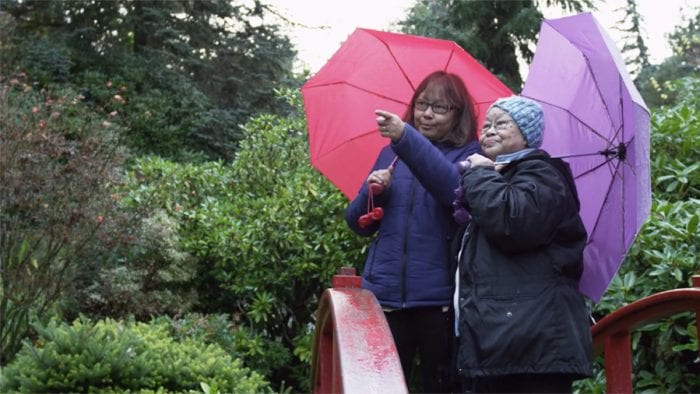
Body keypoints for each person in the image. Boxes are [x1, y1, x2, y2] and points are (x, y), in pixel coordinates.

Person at [344, 71, 481, 392]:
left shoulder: (470, 155)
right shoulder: (391, 154)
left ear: (458, 115)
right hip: (386, 295)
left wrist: (406, 138)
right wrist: (373, 191)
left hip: (438, 300)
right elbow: (356, 224)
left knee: (440, 386)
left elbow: (452, 191)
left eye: (439, 108)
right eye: (422, 104)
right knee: (384, 386)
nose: (427, 114)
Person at [453, 95, 593, 393]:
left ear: (527, 133)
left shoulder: (543, 173)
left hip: (533, 342)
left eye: (502, 123)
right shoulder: (503, 176)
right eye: (486, 125)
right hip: (508, 340)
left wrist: (478, 173)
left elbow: (512, 223)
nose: (489, 131)